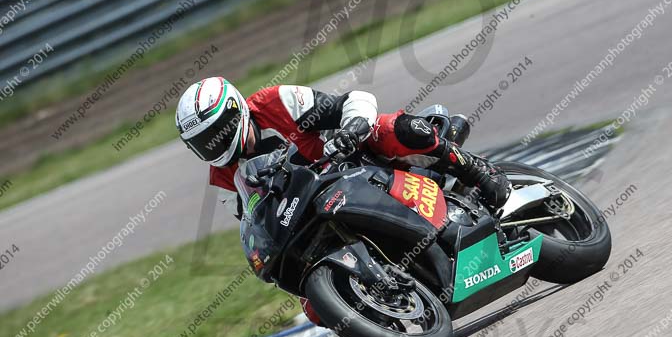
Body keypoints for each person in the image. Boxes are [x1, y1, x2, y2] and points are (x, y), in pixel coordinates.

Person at [175, 77, 510, 220]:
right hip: (318, 205)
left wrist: (351, 130)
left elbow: (354, 100)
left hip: (356, 157)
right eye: (202, 143)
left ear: (235, 111)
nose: (214, 145)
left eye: (215, 133)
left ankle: (477, 170)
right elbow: (255, 221)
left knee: (394, 129)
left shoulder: (275, 102)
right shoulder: (223, 178)